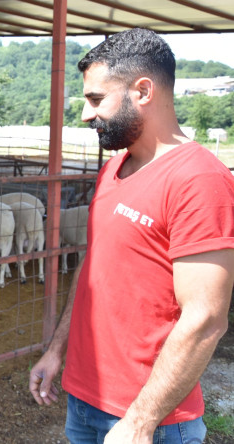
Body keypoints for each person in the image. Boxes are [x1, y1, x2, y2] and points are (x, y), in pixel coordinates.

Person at [28, 28, 234, 443]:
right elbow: (95, 267)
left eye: (96, 99)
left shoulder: (198, 179)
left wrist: (140, 421)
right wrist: (57, 350)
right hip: (84, 398)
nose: (87, 115)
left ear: (142, 90)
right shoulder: (113, 167)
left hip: (150, 420)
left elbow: (206, 318)